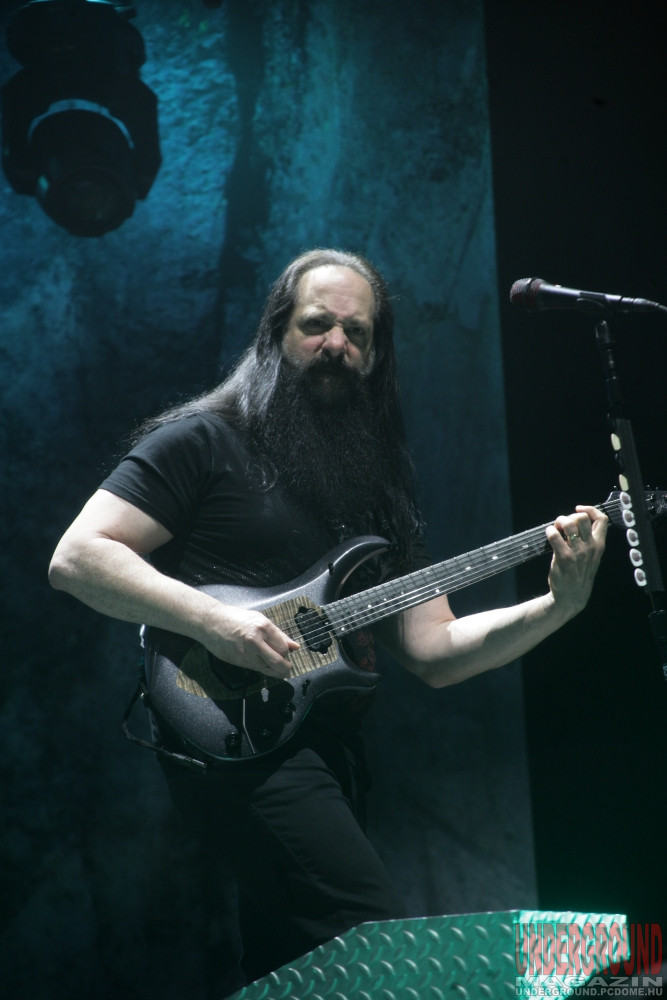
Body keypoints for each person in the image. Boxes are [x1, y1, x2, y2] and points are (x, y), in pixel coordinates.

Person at [48, 248, 608, 992]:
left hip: (328, 749)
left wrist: (557, 605)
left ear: (375, 355)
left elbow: (435, 650)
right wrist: (216, 622)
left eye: (357, 332)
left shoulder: (380, 484)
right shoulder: (203, 439)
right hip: (233, 738)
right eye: (317, 325)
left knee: (297, 973)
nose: (336, 343)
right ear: (276, 333)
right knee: (366, 941)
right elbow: (79, 556)